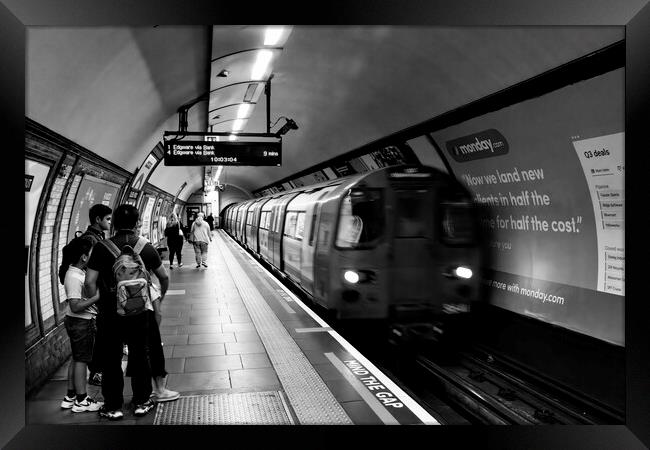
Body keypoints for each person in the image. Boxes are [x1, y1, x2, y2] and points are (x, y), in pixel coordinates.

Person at [85, 204, 176, 420]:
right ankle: (141, 402)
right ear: (137, 223)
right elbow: (164, 277)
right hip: (139, 313)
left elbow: (89, 282)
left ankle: (113, 406)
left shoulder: (101, 247)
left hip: (110, 314)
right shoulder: (146, 247)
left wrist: (100, 304)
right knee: (140, 355)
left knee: (111, 358)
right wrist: (158, 298)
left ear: (114, 223)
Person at [60, 237, 104, 413]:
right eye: (92, 254)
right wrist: (96, 297)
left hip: (78, 322)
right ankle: (81, 399)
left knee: (76, 358)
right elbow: (75, 306)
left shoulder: (76, 272)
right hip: (80, 322)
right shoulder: (73, 276)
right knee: (81, 360)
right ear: (84, 257)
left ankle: (70, 397)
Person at [80, 204, 112, 387]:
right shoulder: (91, 240)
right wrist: (95, 302)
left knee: (101, 335)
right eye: (107, 219)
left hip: (98, 294)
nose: (110, 221)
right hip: (95, 296)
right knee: (98, 337)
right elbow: (90, 274)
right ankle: (96, 373)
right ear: (97, 219)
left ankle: (98, 370)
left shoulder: (97, 237)